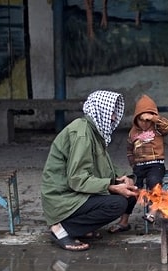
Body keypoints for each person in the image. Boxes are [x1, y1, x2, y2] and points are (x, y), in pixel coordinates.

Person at [41, 90, 140, 251]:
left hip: (78, 190)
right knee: (118, 204)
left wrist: (122, 177)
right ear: (100, 110)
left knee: (130, 195)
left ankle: (81, 228)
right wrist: (111, 186)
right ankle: (61, 229)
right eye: (111, 113)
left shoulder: (93, 130)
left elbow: (103, 161)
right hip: (63, 196)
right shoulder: (83, 135)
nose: (114, 117)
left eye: (115, 113)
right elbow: (77, 179)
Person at [125, 94, 168, 224]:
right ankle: (123, 221)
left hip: (155, 165)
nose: (145, 123)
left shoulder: (157, 128)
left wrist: (154, 118)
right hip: (139, 166)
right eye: (141, 120)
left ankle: (152, 212)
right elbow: (129, 149)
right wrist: (133, 164)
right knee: (132, 191)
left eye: (148, 120)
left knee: (155, 183)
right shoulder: (133, 132)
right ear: (136, 119)